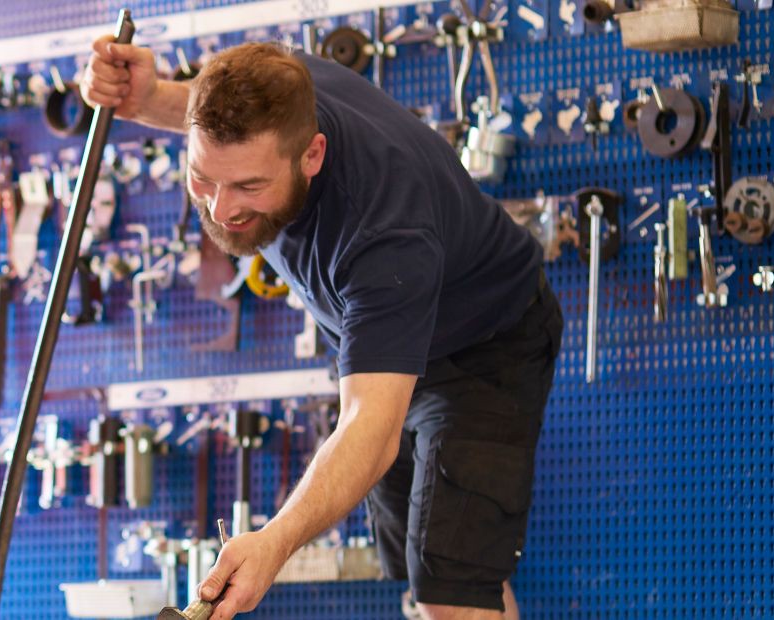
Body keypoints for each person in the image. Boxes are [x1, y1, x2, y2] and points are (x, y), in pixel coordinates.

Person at [81, 38, 563, 620]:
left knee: (450, 589)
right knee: (431, 572)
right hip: (392, 342)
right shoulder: (276, 88)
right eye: (203, 179)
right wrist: (146, 97)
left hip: (484, 346)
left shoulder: (382, 235)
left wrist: (273, 544)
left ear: (311, 155)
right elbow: (199, 112)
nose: (222, 210)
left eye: (250, 188)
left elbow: (371, 429)